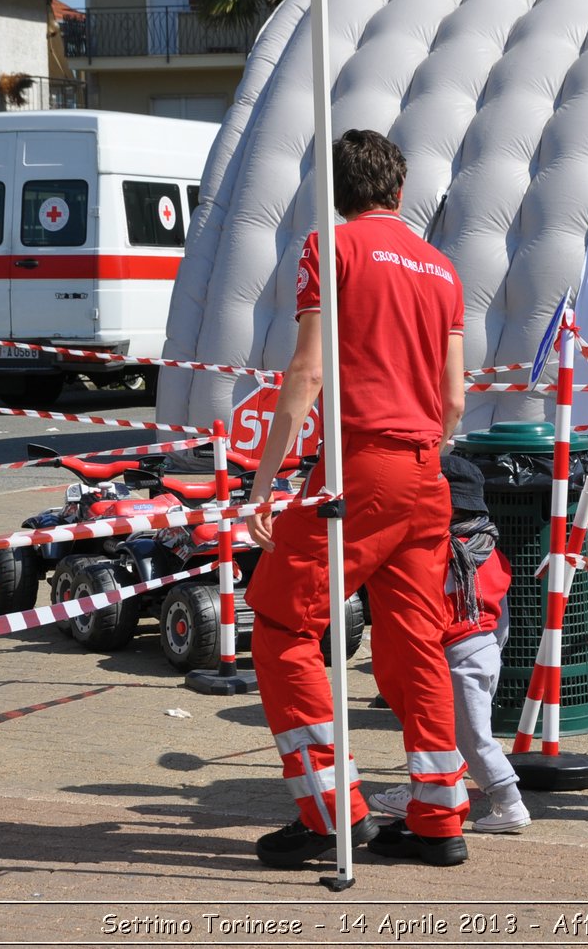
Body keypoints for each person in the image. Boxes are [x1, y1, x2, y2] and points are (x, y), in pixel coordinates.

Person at [243, 129, 471, 867]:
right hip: (425, 473)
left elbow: (305, 374)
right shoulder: (442, 269)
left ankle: (330, 811)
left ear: (335, 194)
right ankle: (440, 818)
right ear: (400, 192)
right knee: (415, 642)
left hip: (360, 464)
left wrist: (264, 483)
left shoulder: (330, 248)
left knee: (281, 623)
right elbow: (455, 401)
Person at [369, 453, 531, 834]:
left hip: (454, 656)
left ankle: (509, 803)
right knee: (448, 733)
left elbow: (424, 613)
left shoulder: (437, 555)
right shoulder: (488, 550)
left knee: (473, 739)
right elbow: (501, 616)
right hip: (484, 650)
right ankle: (423, 791)